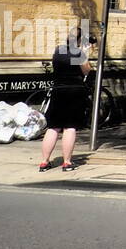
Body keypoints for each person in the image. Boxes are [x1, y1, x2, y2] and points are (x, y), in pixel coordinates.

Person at [38, 30, 94, 173]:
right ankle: (67, 162)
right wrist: (85, 54)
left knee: (53, 127)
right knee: (70, 127)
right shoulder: (79, 53)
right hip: (74, 91)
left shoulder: (58, 51)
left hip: (58, 90)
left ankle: (44, 162)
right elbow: (86, 70)